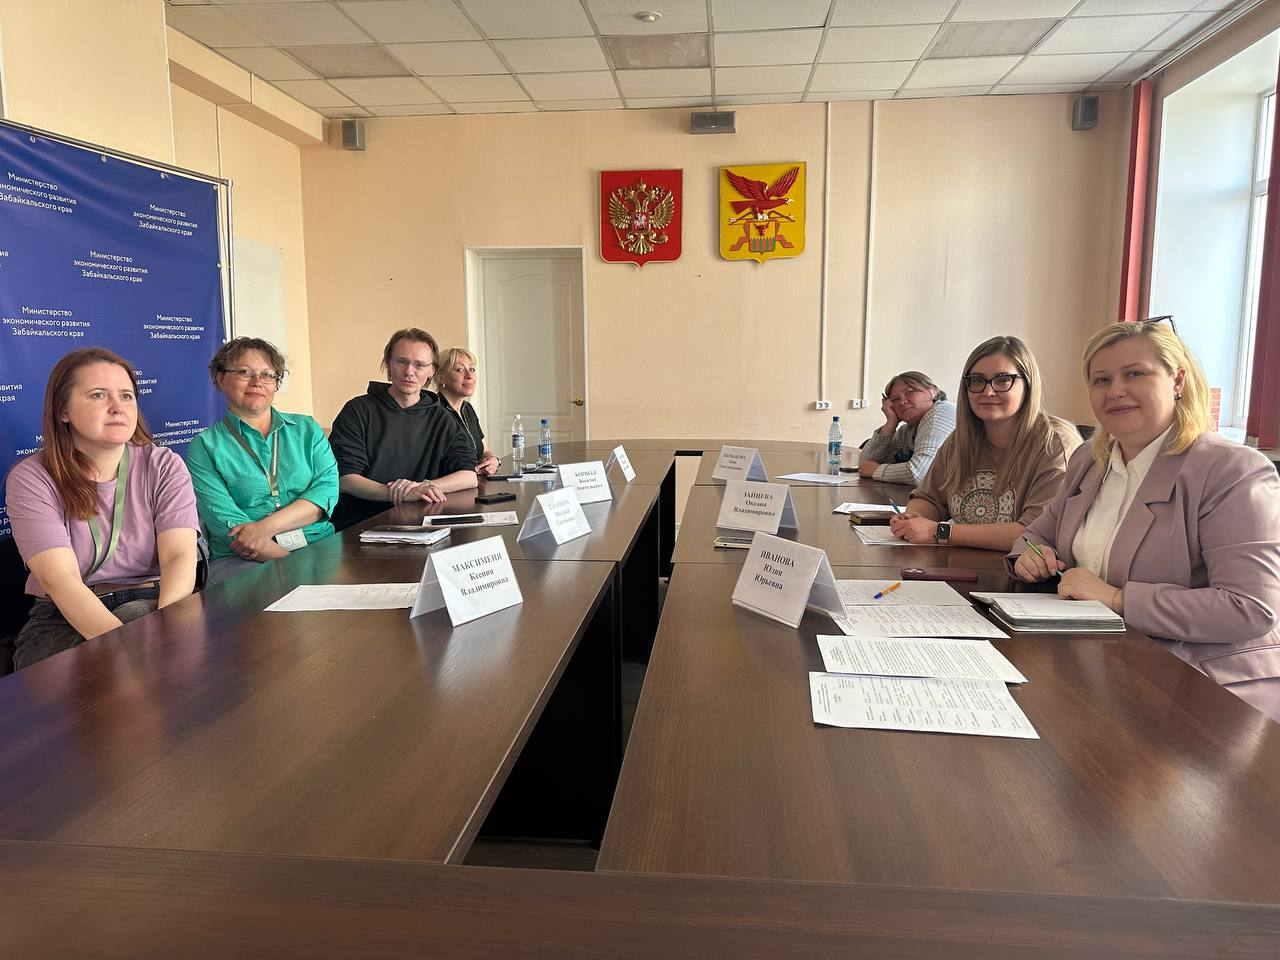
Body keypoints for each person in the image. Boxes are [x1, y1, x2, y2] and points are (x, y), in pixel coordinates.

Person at [1012, 320, 1280, 721]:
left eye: (1135, 374)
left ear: (1178, 380)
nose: (1115, 390)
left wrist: (1118, 599)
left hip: (1202, 694)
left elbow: (1249, 609)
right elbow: (1034, 535)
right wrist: (1030, 555)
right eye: (1102, 380)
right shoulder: (1089, 460)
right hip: (1099, 671)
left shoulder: (1232, 471)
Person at [5, 348, 199, 669]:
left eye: (126, 396)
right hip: (61, 618)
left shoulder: (164, 464)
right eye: (98, 395)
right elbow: (60, 580)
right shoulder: (32, 477)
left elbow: (180, 556)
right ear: (63, 410)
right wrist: (124, 655)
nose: (117, 407)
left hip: (154, 602)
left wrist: (169, 629)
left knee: (141, 623)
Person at [891, 335, 1080, 551]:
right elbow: (930, 498)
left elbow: (1035, 534)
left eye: (1003, 380)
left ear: (1028, 385)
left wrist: (940, 531)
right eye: (977, 380)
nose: (988, 392)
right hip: (959, 565)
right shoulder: (962, 438)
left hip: (1018, 569)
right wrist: (912, 519)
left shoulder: (1054, 443)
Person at [186, 338, 339, 583]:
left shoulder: (307, 429)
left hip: (318, 544)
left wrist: (265, 528)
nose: (257, 382)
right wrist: (291, 565)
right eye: (245, 372)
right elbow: (227, 526)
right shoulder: (204, 446)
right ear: (220, 378)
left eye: (267, 374)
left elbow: (325, 493)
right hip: (242, 559)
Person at [328, 328, 477, 529]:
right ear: (388, 364)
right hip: (360, 525)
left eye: (419, 365)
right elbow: (345, 478)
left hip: (422, 524)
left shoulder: (442, 418)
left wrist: (422, 487)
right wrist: (396, 493)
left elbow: (468, 475)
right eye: (401, 362)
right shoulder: (358, 410)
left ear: (432, 370)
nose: (409, 372)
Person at [858, 371, 956, 484]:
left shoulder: (942, 412)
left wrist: (876, 471)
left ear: (932, 391)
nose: (902, 402)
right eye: (895, 399)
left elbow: (919, 473)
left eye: (909, 392)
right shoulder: (907, 430)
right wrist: (891, 423)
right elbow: (865, 464)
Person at [434, 346, 500, 476]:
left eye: (472, 369)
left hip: (475, 482)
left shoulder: (467, 408)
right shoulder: (436, 412)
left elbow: (485, 451)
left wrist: (493, 461)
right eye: (460, 370)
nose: (469, 376)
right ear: (441, 377)